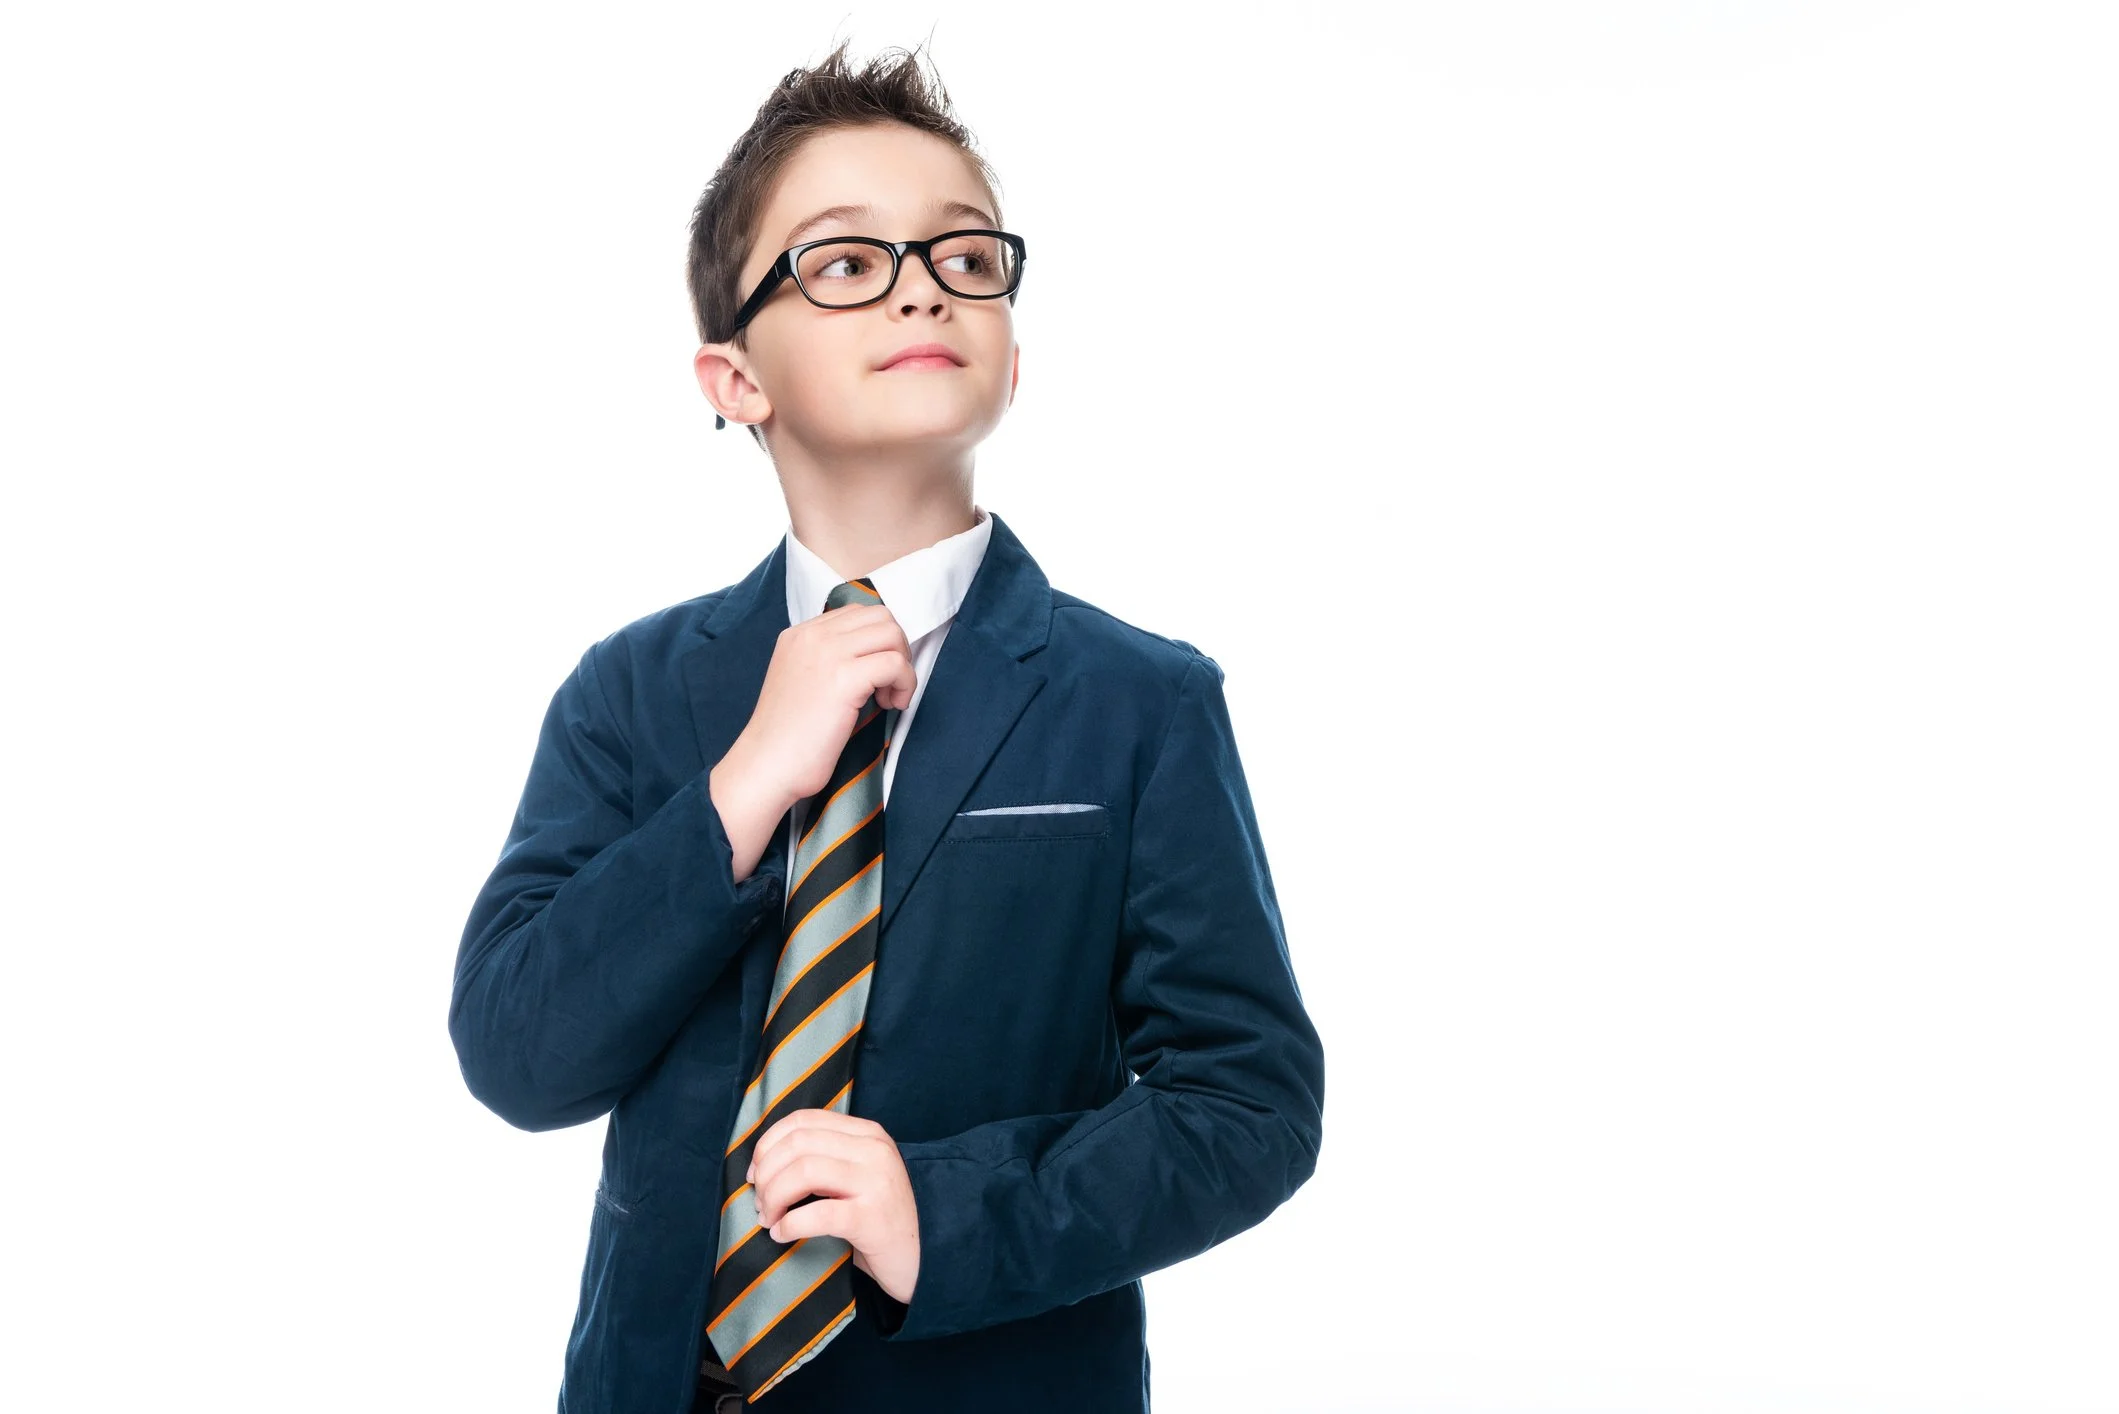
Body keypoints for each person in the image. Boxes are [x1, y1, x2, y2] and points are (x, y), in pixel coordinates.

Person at [449, 39, 1325, 1414]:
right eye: (845, 262)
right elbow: (518, 1049)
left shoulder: (1139, 702)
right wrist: (741, 786)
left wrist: (950, 1211)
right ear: (736, 377)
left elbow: (1248, 1101)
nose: (921, 281)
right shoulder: (627, 691)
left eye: (964, 257)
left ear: (1013, 354)